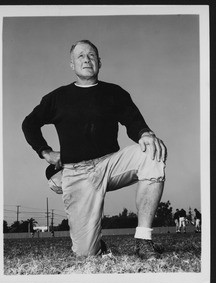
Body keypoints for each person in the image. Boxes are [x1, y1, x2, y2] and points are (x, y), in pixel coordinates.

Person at [22, 40, 167, 259]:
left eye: (91, 55)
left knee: (151, 152)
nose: (86, 59)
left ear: (99, 62)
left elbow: (134, 122)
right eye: (80, 56)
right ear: (71, 64)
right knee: (86, 254)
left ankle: (143, 240)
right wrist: (46, 152)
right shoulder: (57, 97)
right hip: (77, 172)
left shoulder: (114, 93)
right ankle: (96, 243)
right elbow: (29, 123)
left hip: (110, 164)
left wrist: (145, 133)